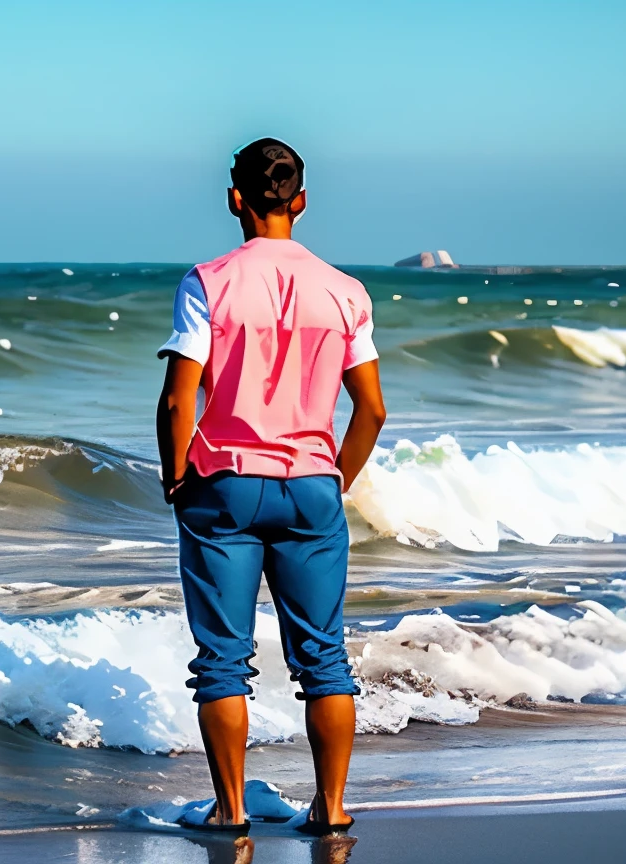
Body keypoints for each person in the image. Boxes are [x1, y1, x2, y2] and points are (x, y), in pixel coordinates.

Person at [155, 137, 386, 836]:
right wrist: (334, 477)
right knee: (324, 657)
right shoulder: (346, 291)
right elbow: (371, 408)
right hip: (312, 484)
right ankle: (333, 807)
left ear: (235, 199)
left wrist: (175, 481)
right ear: (302, 200)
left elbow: (177, 401)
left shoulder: (208, 281)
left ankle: (228, 812)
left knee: (223, 661)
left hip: (225, 485)